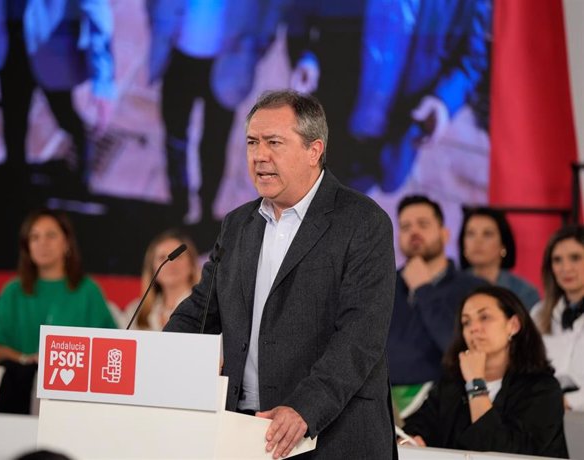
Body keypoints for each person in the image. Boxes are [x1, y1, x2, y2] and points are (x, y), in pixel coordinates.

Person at [165, 90, 397, 459]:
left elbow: (360, 336)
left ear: (314, 150)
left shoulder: (362, 222)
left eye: (274, 142)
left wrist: (305, 407)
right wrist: (152, 358)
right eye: (252, 143)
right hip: (246, 433)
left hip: (333, 434)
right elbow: (200, 312)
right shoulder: (238, 224)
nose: (259, 156)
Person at [147, 0, 287, 223]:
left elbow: (272, 7)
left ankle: (206, 208)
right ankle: (178, 202)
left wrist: (259, 42)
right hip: (178, 56)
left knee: (215, 141)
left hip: (228, 61)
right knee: (174, 133)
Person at [402, 286, 568, 458]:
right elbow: (418, 426)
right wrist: (409, 441)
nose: (473, 328)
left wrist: (475, 384)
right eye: (466, 322)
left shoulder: (543, 389)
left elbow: (502, 453)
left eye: (484, 317)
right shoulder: (451, 384)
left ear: (513, 325)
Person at [0, 0, 116, 184]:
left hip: (51, 54)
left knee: (64, 115)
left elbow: (97, 15)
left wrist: (103, 82)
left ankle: (83, 147)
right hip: (11, 51)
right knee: (13, 121)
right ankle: (15, 179)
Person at [346, 0, 490, 192]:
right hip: (335, 116)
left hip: (396, 131)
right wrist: (309, 59)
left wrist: (443, 101)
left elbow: (472, 59)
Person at [0, 208, 116, 413]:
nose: (42, 243)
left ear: (67, 243)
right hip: (21, 392)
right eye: (35, 237)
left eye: (51, 235)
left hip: (77, 399)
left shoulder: (88, 290)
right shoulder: (13, 291)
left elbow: (110, 346)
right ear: (26, 246)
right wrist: (26, 360)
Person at [388, 195, 485, 414]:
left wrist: (424, 290)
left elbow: (459, 348)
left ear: (445, 233)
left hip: (447, 406)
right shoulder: (384, 285)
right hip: (383, 405)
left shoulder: (472, 288)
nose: (414, 232)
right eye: (405, 227)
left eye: (423, 224)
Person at [532, 224, 584, 411]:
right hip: (547, 420)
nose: (565, 268)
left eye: (575, 258)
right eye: (557, 260)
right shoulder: (539, 313)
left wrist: (568, 402)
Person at [459, 207, 540, 310]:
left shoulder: (524, 293)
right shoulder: (451, 287)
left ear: (503, 245)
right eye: (470, 234)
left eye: (487, 234)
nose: (477, 241)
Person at [119, 229, 199, 330]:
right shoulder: (135, 312)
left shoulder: (205, 310)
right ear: (152, 268)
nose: (171, 264)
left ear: (192, 265)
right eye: (162, 258)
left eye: (178, 257)